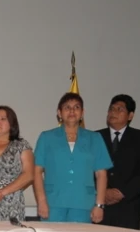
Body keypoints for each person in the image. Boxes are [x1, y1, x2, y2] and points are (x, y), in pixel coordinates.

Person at [33, 93, 112, 224]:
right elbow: (36, 171)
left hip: (83, 203)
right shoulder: (46, 137)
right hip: (53, 203)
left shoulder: (95, 138)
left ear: (82, 112)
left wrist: (99, 205)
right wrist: (41, 201)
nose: (72, 111)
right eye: (67, 107)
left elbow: (101, 175)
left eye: (76, 107)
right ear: (59, 113)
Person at [96, 94, 140, 230]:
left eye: (119, 109)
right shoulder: (95, 137)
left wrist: (121, 193)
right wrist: (101, 192)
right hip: (99, 205)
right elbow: (86, 170)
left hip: (128, 207)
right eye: (111, 109)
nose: (113, 112)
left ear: (130, 116)